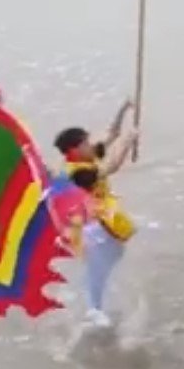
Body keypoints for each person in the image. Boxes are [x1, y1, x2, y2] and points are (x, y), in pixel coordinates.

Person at [53, 99, 138, 326]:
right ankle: (93, 309)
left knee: (112, 258)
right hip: (89, 228)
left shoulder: (85, 158)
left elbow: (112, 134)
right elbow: (112, 166)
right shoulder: (78, 172)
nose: (91, 145)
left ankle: (96, 304)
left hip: (97, 220)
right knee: (97, 268)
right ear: (74, 150)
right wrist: (129, 142)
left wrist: (124, 109)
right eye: (86, 143)